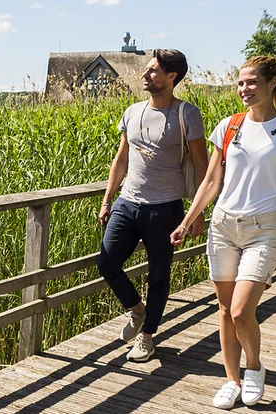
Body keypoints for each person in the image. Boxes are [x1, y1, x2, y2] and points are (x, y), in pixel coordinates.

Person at [170, 55, 276, 409]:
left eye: (251, 82)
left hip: (263, 228)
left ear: (271, 84)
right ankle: (231, 381)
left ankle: (254, 368)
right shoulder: (229, 126)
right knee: (223, 309)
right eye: (239, 83)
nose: (243, 89)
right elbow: (211, 181)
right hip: (222, 226)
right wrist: (188, 221)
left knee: (240, 311)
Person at [98, 48, 208, 364]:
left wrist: (196, 213)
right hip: (128, 202)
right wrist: (108, 200)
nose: (145, 74)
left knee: (158, 275)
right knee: (107, 264)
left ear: (171, 77)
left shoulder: (187, 114)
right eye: (147, 69)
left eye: (153, 70)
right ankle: (137, 310)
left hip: (165, 208)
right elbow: (121, 159)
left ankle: (147, 336)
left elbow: (202, 164)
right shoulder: (133, 112)